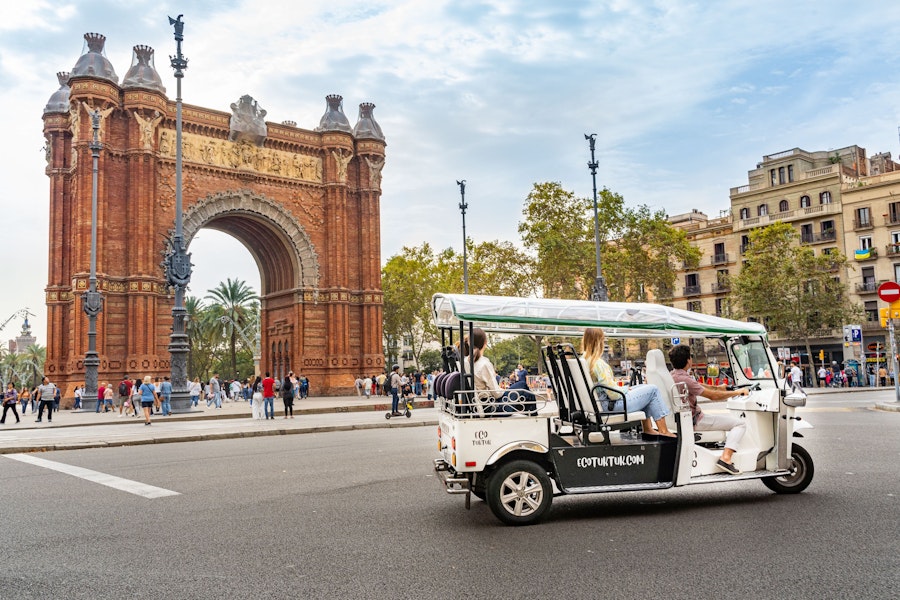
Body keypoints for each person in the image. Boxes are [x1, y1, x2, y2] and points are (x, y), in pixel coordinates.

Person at [668, 344, 750, 474]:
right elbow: (712, 396)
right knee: (740, 424)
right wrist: (738, 392)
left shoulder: (672, 376)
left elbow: (700, 386)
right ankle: (726, 458)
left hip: (686, 419)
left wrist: (720, 388)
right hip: (696, 420)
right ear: (688, 360)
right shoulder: (685, 379)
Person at [582, 328, 676, 437]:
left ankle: (648, 428)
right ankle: (664, 431)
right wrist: (625, 389)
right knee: (652, 390)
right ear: (599, 342)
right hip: (610, 406)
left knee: (643, 388)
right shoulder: (597, 363)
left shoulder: (585, 360)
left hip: (600, 404)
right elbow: (613, 394)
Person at [463, 328, 536, 414]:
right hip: (494, 407)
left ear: (468, 343)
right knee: (523, 385)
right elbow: (497, 393)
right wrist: (506, 390)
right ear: (485, 343)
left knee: (522, 390)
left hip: (483, 404)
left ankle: (529, 415)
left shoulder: (465, 362)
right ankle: (533, 416)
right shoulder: (484, 363)